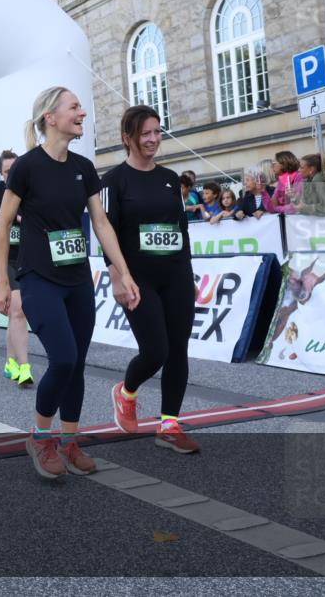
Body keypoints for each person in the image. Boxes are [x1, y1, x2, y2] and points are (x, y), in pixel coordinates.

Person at [0, 86, 140, 480]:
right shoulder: (26, 167)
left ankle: (70, 442)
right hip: (39, 278)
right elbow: (4, 224)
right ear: (50, 118)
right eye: (74, 107)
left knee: (77, 365)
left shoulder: (83, 166)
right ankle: (42, 437)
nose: (83, 113)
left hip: (77, 279)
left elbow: (101, 223)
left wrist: (122, 271)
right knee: (62, 359)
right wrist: (4, 283)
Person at [102, 105, 199, 454]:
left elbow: (181, 231)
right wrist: (117, 277)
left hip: (175, 275)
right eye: (146, 133)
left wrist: (189, 276)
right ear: (128, 137)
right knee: (156, 350)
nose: (154, 139)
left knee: (179, 349)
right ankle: (126, 391)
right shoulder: (113, 181)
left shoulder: (171, 178)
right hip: (137, 278)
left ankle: (169, 424)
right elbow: (106, 233)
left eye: (158, 132)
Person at [0, 149, 33, 387]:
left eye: (14, 170)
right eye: (6, 172)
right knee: (18, 309)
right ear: (0, 173)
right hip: (1, 260)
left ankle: (10, 362)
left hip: (24, 258)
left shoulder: (28, 188)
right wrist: (13, 216)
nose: (10, 175)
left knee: (15, 312)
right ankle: (24, 367)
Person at [268, 150, 302, 214]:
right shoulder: (281, 181)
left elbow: (295, 207)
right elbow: (272, 206)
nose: (271, 166)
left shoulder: (299, 177)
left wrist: (276, 209)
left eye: (274, 163)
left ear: (284, 164)